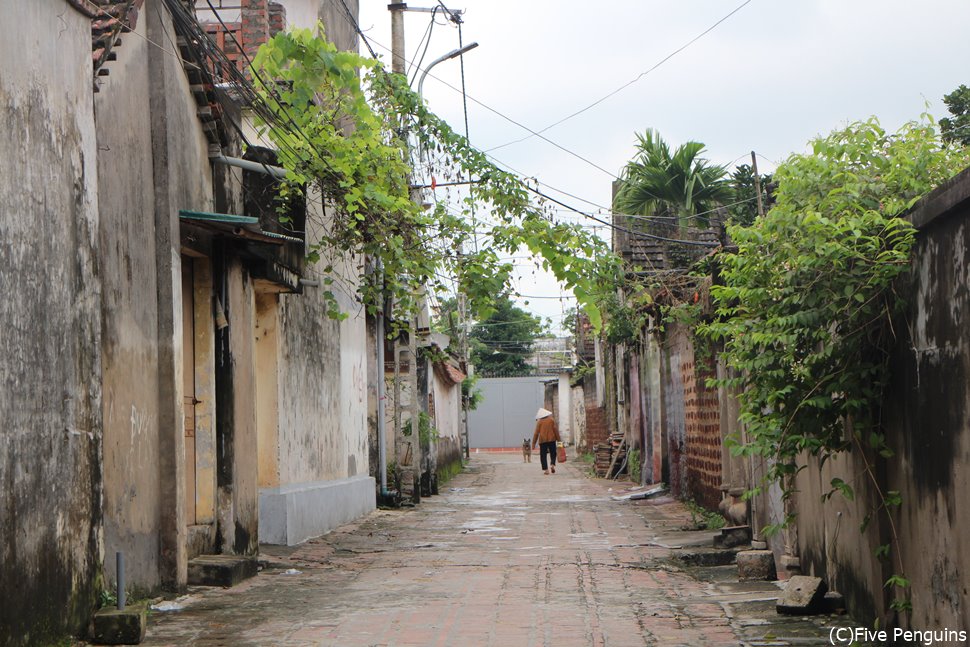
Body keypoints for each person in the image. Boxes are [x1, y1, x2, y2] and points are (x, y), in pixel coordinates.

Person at [532, 408, 561, 475]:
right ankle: (552, 465)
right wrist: (559, 442)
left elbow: (536, 433)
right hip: (552, 439)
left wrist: (533, 444)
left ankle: (546, 470)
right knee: (553, 453)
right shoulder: (551, 420)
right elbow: (556, 431)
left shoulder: (539, 422)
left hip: (543, 441)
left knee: (543, 455)